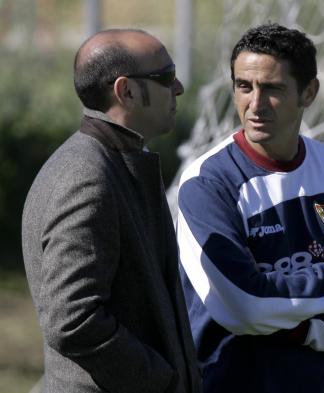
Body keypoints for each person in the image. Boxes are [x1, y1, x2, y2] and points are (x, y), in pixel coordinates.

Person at [176, 23, 324, 393]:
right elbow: (243, 304)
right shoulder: (208, 182)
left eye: (273, 88)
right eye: (244, 86)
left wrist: (300, 325)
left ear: (309, 92)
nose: (255, 104)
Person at [21, 29, 202, 393]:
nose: (179, 87)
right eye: (165, 77)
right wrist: (158, 378)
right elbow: (71, 320)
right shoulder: (87, 177)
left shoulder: (113, 161)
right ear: (127, 91)